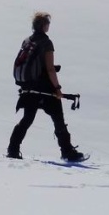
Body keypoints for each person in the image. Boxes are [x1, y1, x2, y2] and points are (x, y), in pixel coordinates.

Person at [6, 12, 85, 162]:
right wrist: (58, 88)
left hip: (29, 86)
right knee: (58, 118)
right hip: (44, 86)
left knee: (27, 119)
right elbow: (49, 69)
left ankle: (13, 149)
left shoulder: (27, 41)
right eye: (47, 23)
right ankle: (67, 151)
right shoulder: (46, 42)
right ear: (44, 26)